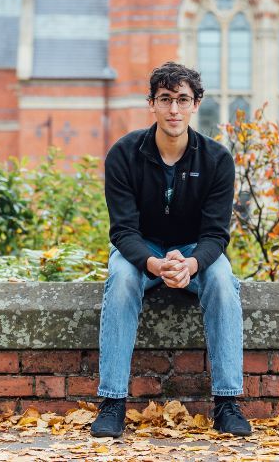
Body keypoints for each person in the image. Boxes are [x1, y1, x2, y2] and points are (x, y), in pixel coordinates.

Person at [90, 61, 251, 438]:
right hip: (142, 248)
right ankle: (112, 403)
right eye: (165, 99)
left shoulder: (217, 160)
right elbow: (122, 230)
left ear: (196, 104)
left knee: (224, 281)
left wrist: (191, 264)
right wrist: (152, 263)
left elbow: (216, 235)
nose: (174, 109)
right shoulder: (124, 155)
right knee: (122, 279)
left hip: (195, 249)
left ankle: (227, 403)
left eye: (182, 99)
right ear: (152, 103)